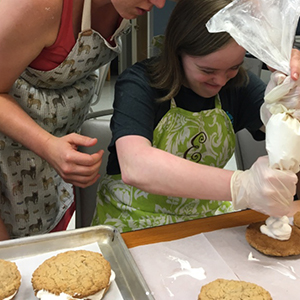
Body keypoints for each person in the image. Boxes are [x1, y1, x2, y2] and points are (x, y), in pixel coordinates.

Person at [92, 0, 300, 233]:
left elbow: (284, 134)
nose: (220, 81)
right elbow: (136, 166)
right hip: (133, 219)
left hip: (204, 219)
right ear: (178, 52)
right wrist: (242, 186)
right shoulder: (140, 83)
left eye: (233, 67)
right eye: (207, 70)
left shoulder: (238, 86)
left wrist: (287, 107)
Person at [0, 0, 169, 240]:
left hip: (52, 151)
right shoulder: (38, 6)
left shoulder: (128, 7)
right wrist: (47, 144)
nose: (159, 4)